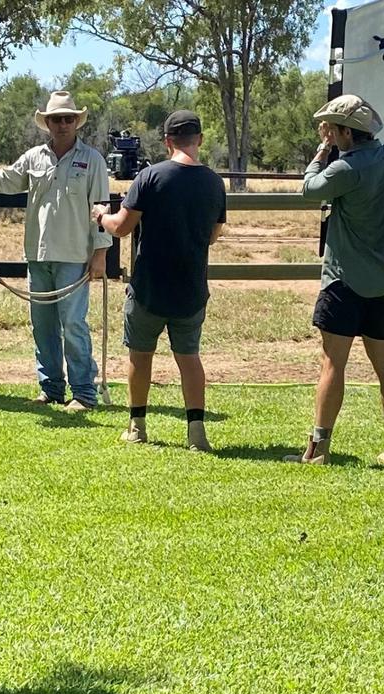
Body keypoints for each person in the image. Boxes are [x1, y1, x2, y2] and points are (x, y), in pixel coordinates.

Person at [288, 94, 384, 466]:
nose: (330, 133)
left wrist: (320, 151)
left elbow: (309, 189)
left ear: (346, 131)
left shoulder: (346, 168)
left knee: (333, 364)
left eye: (333, 129)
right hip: (383, 284)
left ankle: (318, 448)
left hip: (343, 283)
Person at [0, 91, 111, 410]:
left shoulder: (93, 161)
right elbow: (5, 181)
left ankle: (84, 393)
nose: (63, 124)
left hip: (74, 256)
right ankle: (52, 388)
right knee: (43, 325)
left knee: (73, 325)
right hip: (38, 255)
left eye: (69, 119)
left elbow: (101, 208)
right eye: (57, 119)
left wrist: (100, 252)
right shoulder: (34, 158)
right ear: (47, 123)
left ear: (77, 122)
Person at [93, 110, 226, 452]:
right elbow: (213, 235)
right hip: (192, 289)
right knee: (189, 358)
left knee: (140, 355)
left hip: (149, 287)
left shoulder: (150, 177)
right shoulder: (214, 182)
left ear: (167, 141)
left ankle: (137, 426)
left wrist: (101, 217)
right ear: (199, 139)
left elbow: (122, 227)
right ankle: (197, 432)